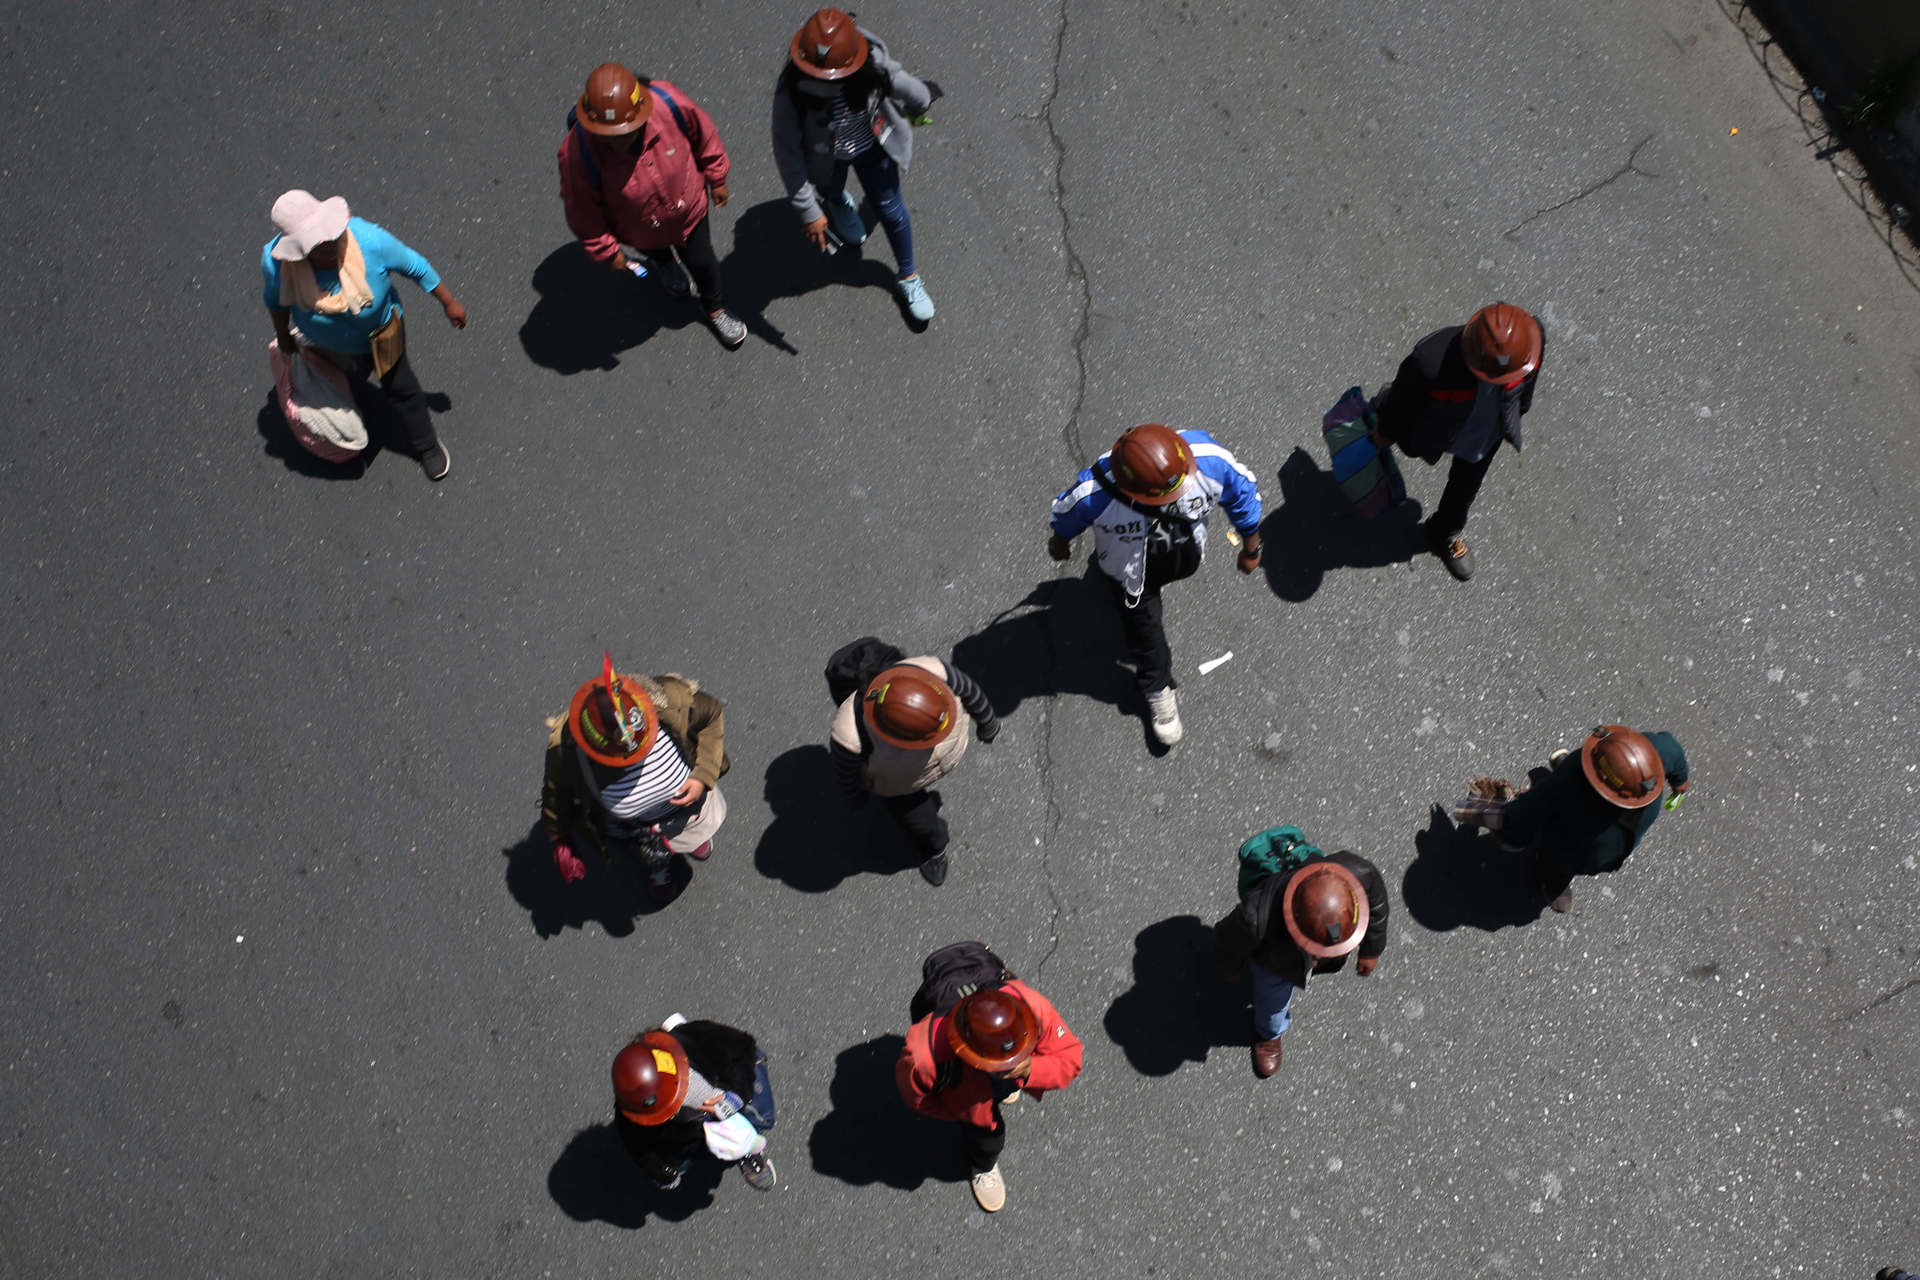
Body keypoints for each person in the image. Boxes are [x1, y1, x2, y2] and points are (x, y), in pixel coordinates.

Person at [1047, 423, 1263, 746]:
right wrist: (1059, 542)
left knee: (1142, 621)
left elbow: (1243, 494)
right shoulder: (1093, 493)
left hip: (1184, 555)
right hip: (1132, 575)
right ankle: (1157, 687)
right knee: (1146, 632)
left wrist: (1252, 548)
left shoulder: (1209, 460)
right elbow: (1064, 518)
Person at [262, 190, 465, 480]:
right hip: (331, 344)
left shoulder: (369, 240)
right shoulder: (277, 265)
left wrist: (449, 303)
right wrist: (283, 335)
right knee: (346, 380)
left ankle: (427, 446)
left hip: (382, 334)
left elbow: (415, 266)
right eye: (317, 244)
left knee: (400, 387)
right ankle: (354, 407)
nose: (330, 244)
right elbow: (276, 302)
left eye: (331, 235)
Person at [559, 62, 747, 350]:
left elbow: (704, 136)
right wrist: (608, 252)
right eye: (610, 136)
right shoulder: (576, 154)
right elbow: (583, 213)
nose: (619, 143)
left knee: (702, 261)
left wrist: (717, 177)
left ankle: (715, 307)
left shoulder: (668, 104)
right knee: (655, 250)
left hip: (689, 211)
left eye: (627, 132)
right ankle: (665, 263)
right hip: (638, 229)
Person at [772, 8, 941, 323]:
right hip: (826, 156)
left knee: (892, 210)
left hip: (872, 147)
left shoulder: (871, 64)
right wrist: (810, 212)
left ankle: (908, 276)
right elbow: (787, 152)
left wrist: (920, 103)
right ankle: (837, 202)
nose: (826, 86)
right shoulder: (791, 90)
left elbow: (903, 84)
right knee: (830, 187)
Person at [1367, 302, 1545, 580]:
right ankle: (1381, 405)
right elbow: (1401, 411)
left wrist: (1517, 414)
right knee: (1402, 423)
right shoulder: (1429, 362)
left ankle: (1444, 531)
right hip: (1439, 421)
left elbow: (1526, 388)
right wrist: (1383, 434)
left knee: (1465, 487)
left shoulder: (1530, 342)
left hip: (1484, 433)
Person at [541, 653, 729, 903]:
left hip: (687, 812)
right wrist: (559, 834)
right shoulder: (567, 751)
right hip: (637, 827)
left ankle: (692, 839)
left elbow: (711, 714)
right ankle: (660, 869)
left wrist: (703, 774)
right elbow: (556, 792)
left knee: (694, 830)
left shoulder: (668, 699)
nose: (640, 755)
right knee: (651, 853)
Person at [896, 983, 1083, 1212]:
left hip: (980, 1079)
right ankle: (982, 1166)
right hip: (965, 1093)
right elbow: (917, 1099)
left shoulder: (1032, 1005)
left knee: (1005, 1086)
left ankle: (1005, 1089)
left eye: (1012, 1060)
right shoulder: (922, 1057)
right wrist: (958, 1113)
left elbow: (1070, 1059)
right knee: (987, 1140)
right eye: (997, 1066)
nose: (1008, 1069)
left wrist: (1029, 1070)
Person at [829, 646, 999, 886]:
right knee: (921, 822)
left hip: (900, 772)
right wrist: (855, 796)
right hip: (897, 785)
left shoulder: (933, 672)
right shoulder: (849, 737)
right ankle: (935, 850)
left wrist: (988, 723)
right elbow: (846, 773)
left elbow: (969, 690)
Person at [1214, 852, 1389, 1078]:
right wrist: (1230, 967)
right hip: (1275, 963)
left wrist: (1372, 947)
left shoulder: (1357, 872)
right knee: (1273, 1002)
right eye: (1319, 949)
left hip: (1294, 948)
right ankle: (1269, 1034)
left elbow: (1376, 897)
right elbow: (1227, 938)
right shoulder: (1255, 918)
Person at [1498, 724, 1691, 913]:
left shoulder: (1574, 785)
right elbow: (1674, 751)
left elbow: (1530, 810)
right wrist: (1680, 785)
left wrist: (1510, 831)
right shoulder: (1653, 755)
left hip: (1570, 796)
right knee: (1560, 857)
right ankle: (1553, 880)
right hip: (1586, 848)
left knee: (1553, 798)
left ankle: (1552, 876)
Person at [613, 1015, 776, 1192]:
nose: (678, 1105)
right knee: (678, 1150)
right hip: (692, 1132)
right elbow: (638, 1146)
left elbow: (744, 1046)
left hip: (726, 1089)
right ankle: (735, 1145)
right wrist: (661, 1171)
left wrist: (737, 1096)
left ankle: (746, 1148)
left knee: (759, 1115)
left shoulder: (694, 1037)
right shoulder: (633, 1111)